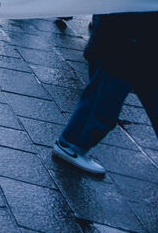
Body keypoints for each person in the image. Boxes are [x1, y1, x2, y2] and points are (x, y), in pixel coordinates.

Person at [51, 11, 158, 177]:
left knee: (108, 98)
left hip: (136, 39)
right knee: (104, 103)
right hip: (126, 41)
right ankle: (71, 144)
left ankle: (71, 143)